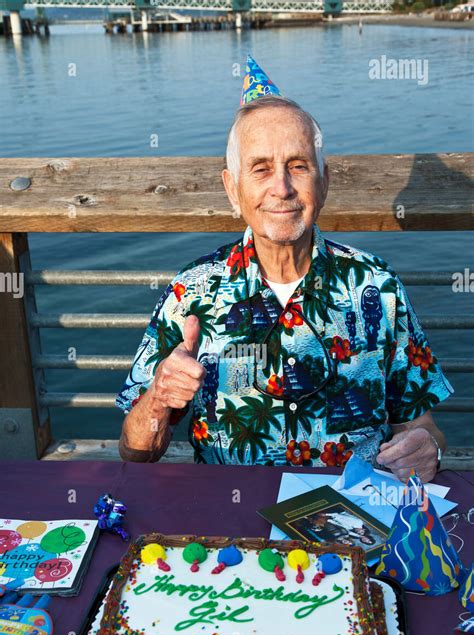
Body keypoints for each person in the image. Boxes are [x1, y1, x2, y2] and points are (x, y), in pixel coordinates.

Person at [116, 55, 453, 481]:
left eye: (298, 166)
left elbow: (423, 428)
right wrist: (159, 399)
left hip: (356, 521)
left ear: (323, 182)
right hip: (235, 529)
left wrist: (429, 451)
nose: (282, 187)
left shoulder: (377, 286)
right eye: (260, 169)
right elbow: (135, 453)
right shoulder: (191, 293)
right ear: (232, 189)